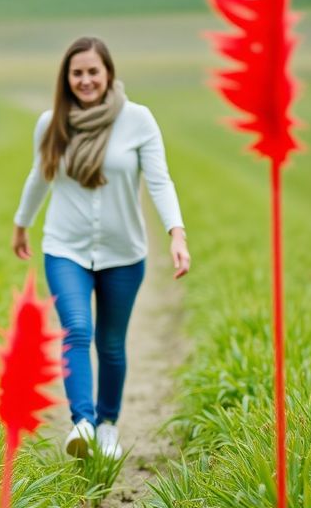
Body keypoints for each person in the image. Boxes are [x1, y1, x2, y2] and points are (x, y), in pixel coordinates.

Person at [12, 37, 190, 460]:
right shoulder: (51, 123)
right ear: (66, 78)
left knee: (111, 344)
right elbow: (39, 177)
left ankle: (108, 426)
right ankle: (84, 423)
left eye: (93, 71)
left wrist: (176, 233)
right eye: (77, 73)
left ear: (108, 72)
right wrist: (22, 223)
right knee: (76, 330)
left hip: (123, 253)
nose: (86, 80)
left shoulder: (138, 120)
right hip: (65, 247)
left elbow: (160, 181)